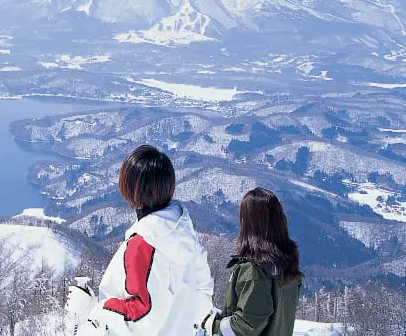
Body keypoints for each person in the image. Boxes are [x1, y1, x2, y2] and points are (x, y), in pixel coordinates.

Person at [66, 144, 214, 335]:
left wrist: (94, 311)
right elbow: (200, 294)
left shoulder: (144, 243)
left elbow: (142, 314)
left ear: (133, 189)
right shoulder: (183, 233)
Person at [210, 188, 303, 336]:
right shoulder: (287, 264)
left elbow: (247, 324)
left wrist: (212, 325)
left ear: (248, 223)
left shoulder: (254, 270)